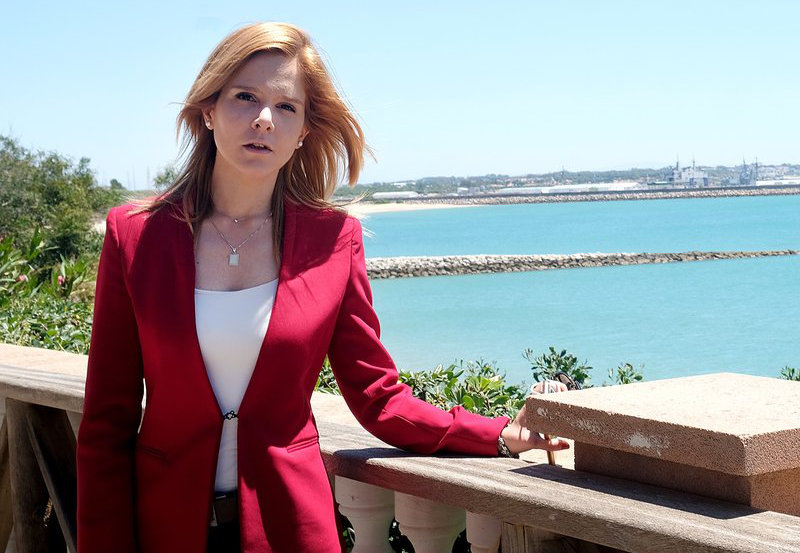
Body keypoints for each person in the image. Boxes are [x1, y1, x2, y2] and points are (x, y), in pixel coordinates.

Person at [76, 22, 570, 553]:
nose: (264, 119)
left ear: (304, 131)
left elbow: (378, 397)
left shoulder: (334, 241)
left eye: (286, 107)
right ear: (208, 109)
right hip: (163, 529)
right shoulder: (136, 236)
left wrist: (498, 434)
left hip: (290, 530)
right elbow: (106, 422)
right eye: (245, 97)